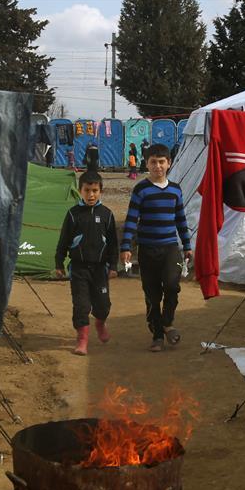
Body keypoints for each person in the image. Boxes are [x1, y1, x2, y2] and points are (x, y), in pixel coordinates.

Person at [120, 143, 192, 352]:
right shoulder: (141, 189)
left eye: (162, 162)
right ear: (146, 163)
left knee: (171, 286)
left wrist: (187, 245)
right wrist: (126, 246)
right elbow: (132, 219)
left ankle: (167, 322)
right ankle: (157, 335)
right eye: (153, 162)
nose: (158, 166)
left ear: (169, 163)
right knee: (152, 295)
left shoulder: (175, 189)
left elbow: (180, 219)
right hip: (147, 249)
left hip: (170, 248)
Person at [55, 170, 119, 356]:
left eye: (95, 190)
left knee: (103, 305)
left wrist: (113, 266)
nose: (91, 195)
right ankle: (82, 339)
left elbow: (113, 243)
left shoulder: (107, 214)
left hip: (100, 268)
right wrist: (59, 263)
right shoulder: (73, 214)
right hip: (79, 268)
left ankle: (100, 323)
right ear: (80, 190)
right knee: (81, 305)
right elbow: (63, 240)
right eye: (87, 190)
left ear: (100, 191)